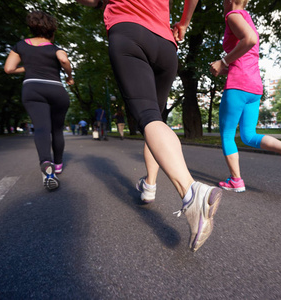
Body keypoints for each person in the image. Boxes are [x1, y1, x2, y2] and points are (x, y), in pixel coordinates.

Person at [77, 0, 222, 252]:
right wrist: (184, 23)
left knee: (148, 117)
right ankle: (149, 186)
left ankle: (191, 192)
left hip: (129, 32)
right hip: (165, 44)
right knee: (154, 121)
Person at [209, 0, 281, 193]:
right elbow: (246, 55)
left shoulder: (232, 16)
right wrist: (226, 68)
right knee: (248, 135)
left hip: (238, 85)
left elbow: (249, 40)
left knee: (227, 134)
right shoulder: (248, 18)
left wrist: (222, 61)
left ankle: (236, 180)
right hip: (254, 85)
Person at [4, 10, 74, 190]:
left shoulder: (20, 45)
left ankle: (46, 163)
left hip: (32, 88)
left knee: (42, 128)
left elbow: (9, 69)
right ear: (52, 30)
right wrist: (69, 75)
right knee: (57, 129)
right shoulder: (55, 48)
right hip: (55, 89)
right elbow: (64, 60)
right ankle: (58, 165)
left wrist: (27, 68)